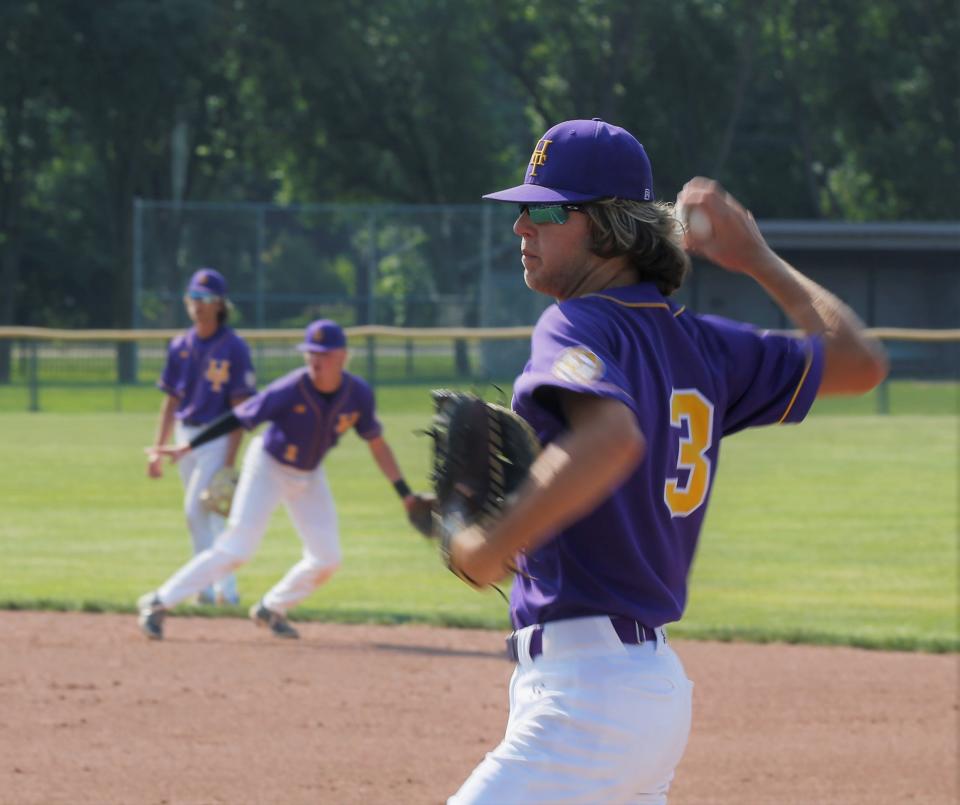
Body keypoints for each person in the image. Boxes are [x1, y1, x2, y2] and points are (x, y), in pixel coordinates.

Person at [444, 118, 888, 804]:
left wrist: (487, 545)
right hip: (645, 696)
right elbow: (860, 362)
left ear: (607, 225)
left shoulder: (577, 321)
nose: (520, 227)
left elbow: (613, 438)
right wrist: (759, 258)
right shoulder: (704, 346)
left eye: (543, 208)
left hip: (586, 698)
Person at [137, 318, 422, 641]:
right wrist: (190, 445)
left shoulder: (358, 394)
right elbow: (239, 416)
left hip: (309, 474)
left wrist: (404, 493)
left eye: (324, 354)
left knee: (327, 559)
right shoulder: (291, 388)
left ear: (342, 356)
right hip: (268, 466)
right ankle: (159, 602)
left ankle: (271, 607)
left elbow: (377, 444)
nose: (315, 360)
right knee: (237, 548)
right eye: (310, 353)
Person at [147, 267, 256, 606]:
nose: (199, 304)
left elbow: (240, 410)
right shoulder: (180, 345)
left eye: (206, 298)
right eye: (194, 297)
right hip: (185, 436)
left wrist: (228, 461)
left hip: (216, 438)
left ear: (220, 303)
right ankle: (223, 590)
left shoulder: (234, 347)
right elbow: (170, 402)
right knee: (207, 515)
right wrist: (156, 449)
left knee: (196, 512)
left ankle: (207, 589)